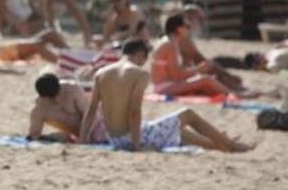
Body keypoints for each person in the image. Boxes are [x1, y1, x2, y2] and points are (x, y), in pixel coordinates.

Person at [82, 40, 252, 152]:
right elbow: (134, 112)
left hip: (115, 140)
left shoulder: (101, 73)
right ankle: (232, 146)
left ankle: (220, 145)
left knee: (176, 129)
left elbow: (90, 112)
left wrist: (82, 142)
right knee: (187, 114)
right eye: (144, 58)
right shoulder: (138, 74)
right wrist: (137, 146)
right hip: (130, 140)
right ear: (140, 54)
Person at [153, 13, 248, 97]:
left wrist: (197, 70)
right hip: (165, 87)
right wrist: (198, 69)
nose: (189, 29)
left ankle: (234, 91)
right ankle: (236, 95)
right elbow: (175, 74)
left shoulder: (169, 41)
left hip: (166, 84)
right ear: (179, 28)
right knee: (206, 80)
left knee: (209, 82)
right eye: (187, 26)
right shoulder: (170, 44)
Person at [28, 72, 105, 142]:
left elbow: (90, 113)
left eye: (57, 94)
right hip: (76, 134)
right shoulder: (39, 109)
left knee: (101, 135)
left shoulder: (72, 89)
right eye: (51, 98)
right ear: (43, 97)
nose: (57, 100)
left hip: (97, 126)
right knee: (61, 137)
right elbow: (34, 135)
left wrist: (84, 137)